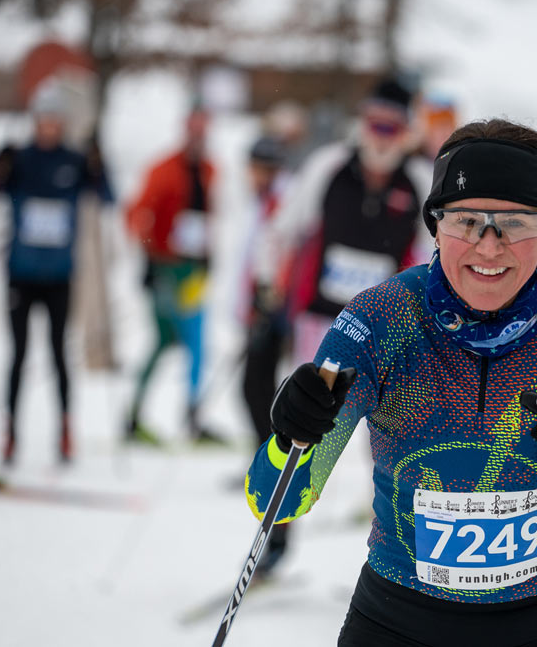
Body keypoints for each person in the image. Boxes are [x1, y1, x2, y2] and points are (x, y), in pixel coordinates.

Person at [245, 119, 537, 646]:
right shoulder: (382, 319)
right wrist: (292, 435)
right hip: (398, 620)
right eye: (466, 221)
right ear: (434, 225)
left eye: (516, 223)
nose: (489, 248)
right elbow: (278, 504)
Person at [0, 86, 114, 465]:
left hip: (58, 276)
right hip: (21, 273)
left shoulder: (73, 159)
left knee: (57, 354)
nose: (49, 127)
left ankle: (66, 430)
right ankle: (10, 432)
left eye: (56, 120)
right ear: (35, 122)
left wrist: (101, 166)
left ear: (63, 124)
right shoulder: (20, 159)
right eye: (44, 120)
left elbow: (107, 198)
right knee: (18, 355)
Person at [255, 77, 432, 369]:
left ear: (405, 132)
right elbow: (282, 228)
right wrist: (267, 280)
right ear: (363, 124)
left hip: (383, 328)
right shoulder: (328, 165)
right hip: (320, 316)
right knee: (314, 405)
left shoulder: (419, 179)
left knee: (367, 412)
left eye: (392, 128)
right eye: (375, 125)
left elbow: (434, 252)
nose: (382, 137)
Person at [124, 107, 224, 444]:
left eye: (203, 130)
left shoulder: (210, 170)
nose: (198, 136)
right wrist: (151, 253)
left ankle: (192, 415)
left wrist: (210, 254)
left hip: (193, 271)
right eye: (193, 129)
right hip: (167, 268)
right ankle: (133, 416)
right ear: (184, 130)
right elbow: (137, 213)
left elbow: (210, 216)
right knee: (163, 341)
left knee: (196, 343)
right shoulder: (163, 170)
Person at [236, 135, 294, 573]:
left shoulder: (284, 199)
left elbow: (282, 254)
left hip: (280, 315)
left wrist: (268, 298)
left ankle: (280, 514)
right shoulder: (261, 199)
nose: (254, 174)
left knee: (266, 402)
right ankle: (270, 464)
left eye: (261, 166)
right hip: (262, 310)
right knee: (255, 397)